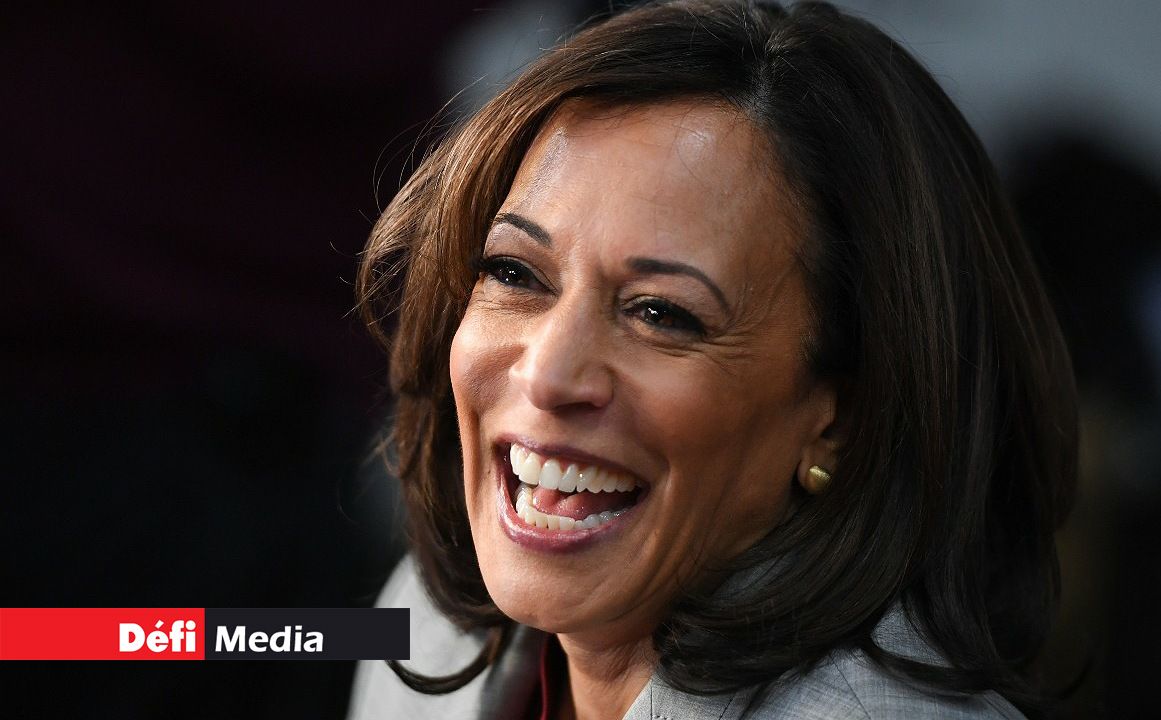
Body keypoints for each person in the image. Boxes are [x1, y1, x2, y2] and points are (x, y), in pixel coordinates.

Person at [348, 1, 1078, 718]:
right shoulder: (421, 629)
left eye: (661, 314)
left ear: (842, 422)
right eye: (515, 273)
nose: (546, 375)